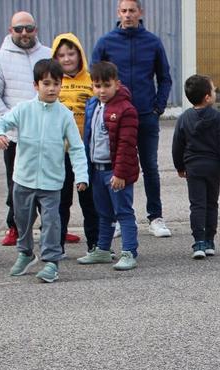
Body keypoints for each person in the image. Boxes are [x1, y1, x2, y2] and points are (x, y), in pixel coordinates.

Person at [0, 59, 88, 283]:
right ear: (36, 85)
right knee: (21, 219)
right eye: (46, 83)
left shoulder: (64, 115)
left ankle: (52, 261)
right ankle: (25, 253)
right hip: (23, 179)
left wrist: (81, 175)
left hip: (52, 182)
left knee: (52, 221)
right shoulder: (23, 110)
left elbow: (76, 147)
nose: (52, 88)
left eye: (56, 83)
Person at [90, 0, 173, 238]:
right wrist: (102, 108)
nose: (128, 15)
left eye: (132, 11)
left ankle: (155, 217)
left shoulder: (153, 42)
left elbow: (165, 77)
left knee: (150, 167)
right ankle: (116, 218)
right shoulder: (106, 42)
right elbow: (94, 78)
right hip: (116, 117)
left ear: (140, 13)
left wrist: (158, 107)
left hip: (146, 115)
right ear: (118, 13)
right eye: (124, 11)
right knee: (116, 166)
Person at [0, 11, 50, 247]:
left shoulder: (48, 55)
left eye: (29, 28)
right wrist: (11, 119)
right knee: (17, 185)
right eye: (19, 29)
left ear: (36, 29)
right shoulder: (0, 59)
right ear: (10, 31)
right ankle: (16, 227)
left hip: (46, 135)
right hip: (16, 137)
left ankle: (51, 229)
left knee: (50, 183)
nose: (24, 33)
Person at [77, 61, 140, 271]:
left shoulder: (126, 109)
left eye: (106, 85)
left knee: (123, 212)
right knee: (103, 213)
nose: (101, 90)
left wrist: (120, 173)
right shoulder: (93, 105)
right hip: (97, 170)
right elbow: (88, 139)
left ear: (117, 84)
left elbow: (126, 144)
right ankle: (103, 250)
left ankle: (129, 252)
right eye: (96, 86)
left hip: (116, 171)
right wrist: (86, 171)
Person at [171, 74, 220, 259]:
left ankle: (198, 242)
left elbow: (177, 144)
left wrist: (179, 166)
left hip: (194, 168)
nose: (215, 92)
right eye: (213, 90)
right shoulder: (218, 118)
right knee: (211, 203)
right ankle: (209, 241)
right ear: (207, 97)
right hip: (214, 168)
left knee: (197, 205)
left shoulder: (184, 118)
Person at [51, 32, 97, 249]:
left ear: (80, 55)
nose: (67, 59)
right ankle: (56, 246)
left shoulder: (90, 81)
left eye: (71, 53)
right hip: (58, 153)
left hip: (85, 151)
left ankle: (96, 244)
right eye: (61, 55)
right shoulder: (52, 82)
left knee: (90, 201)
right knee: (61, 202)